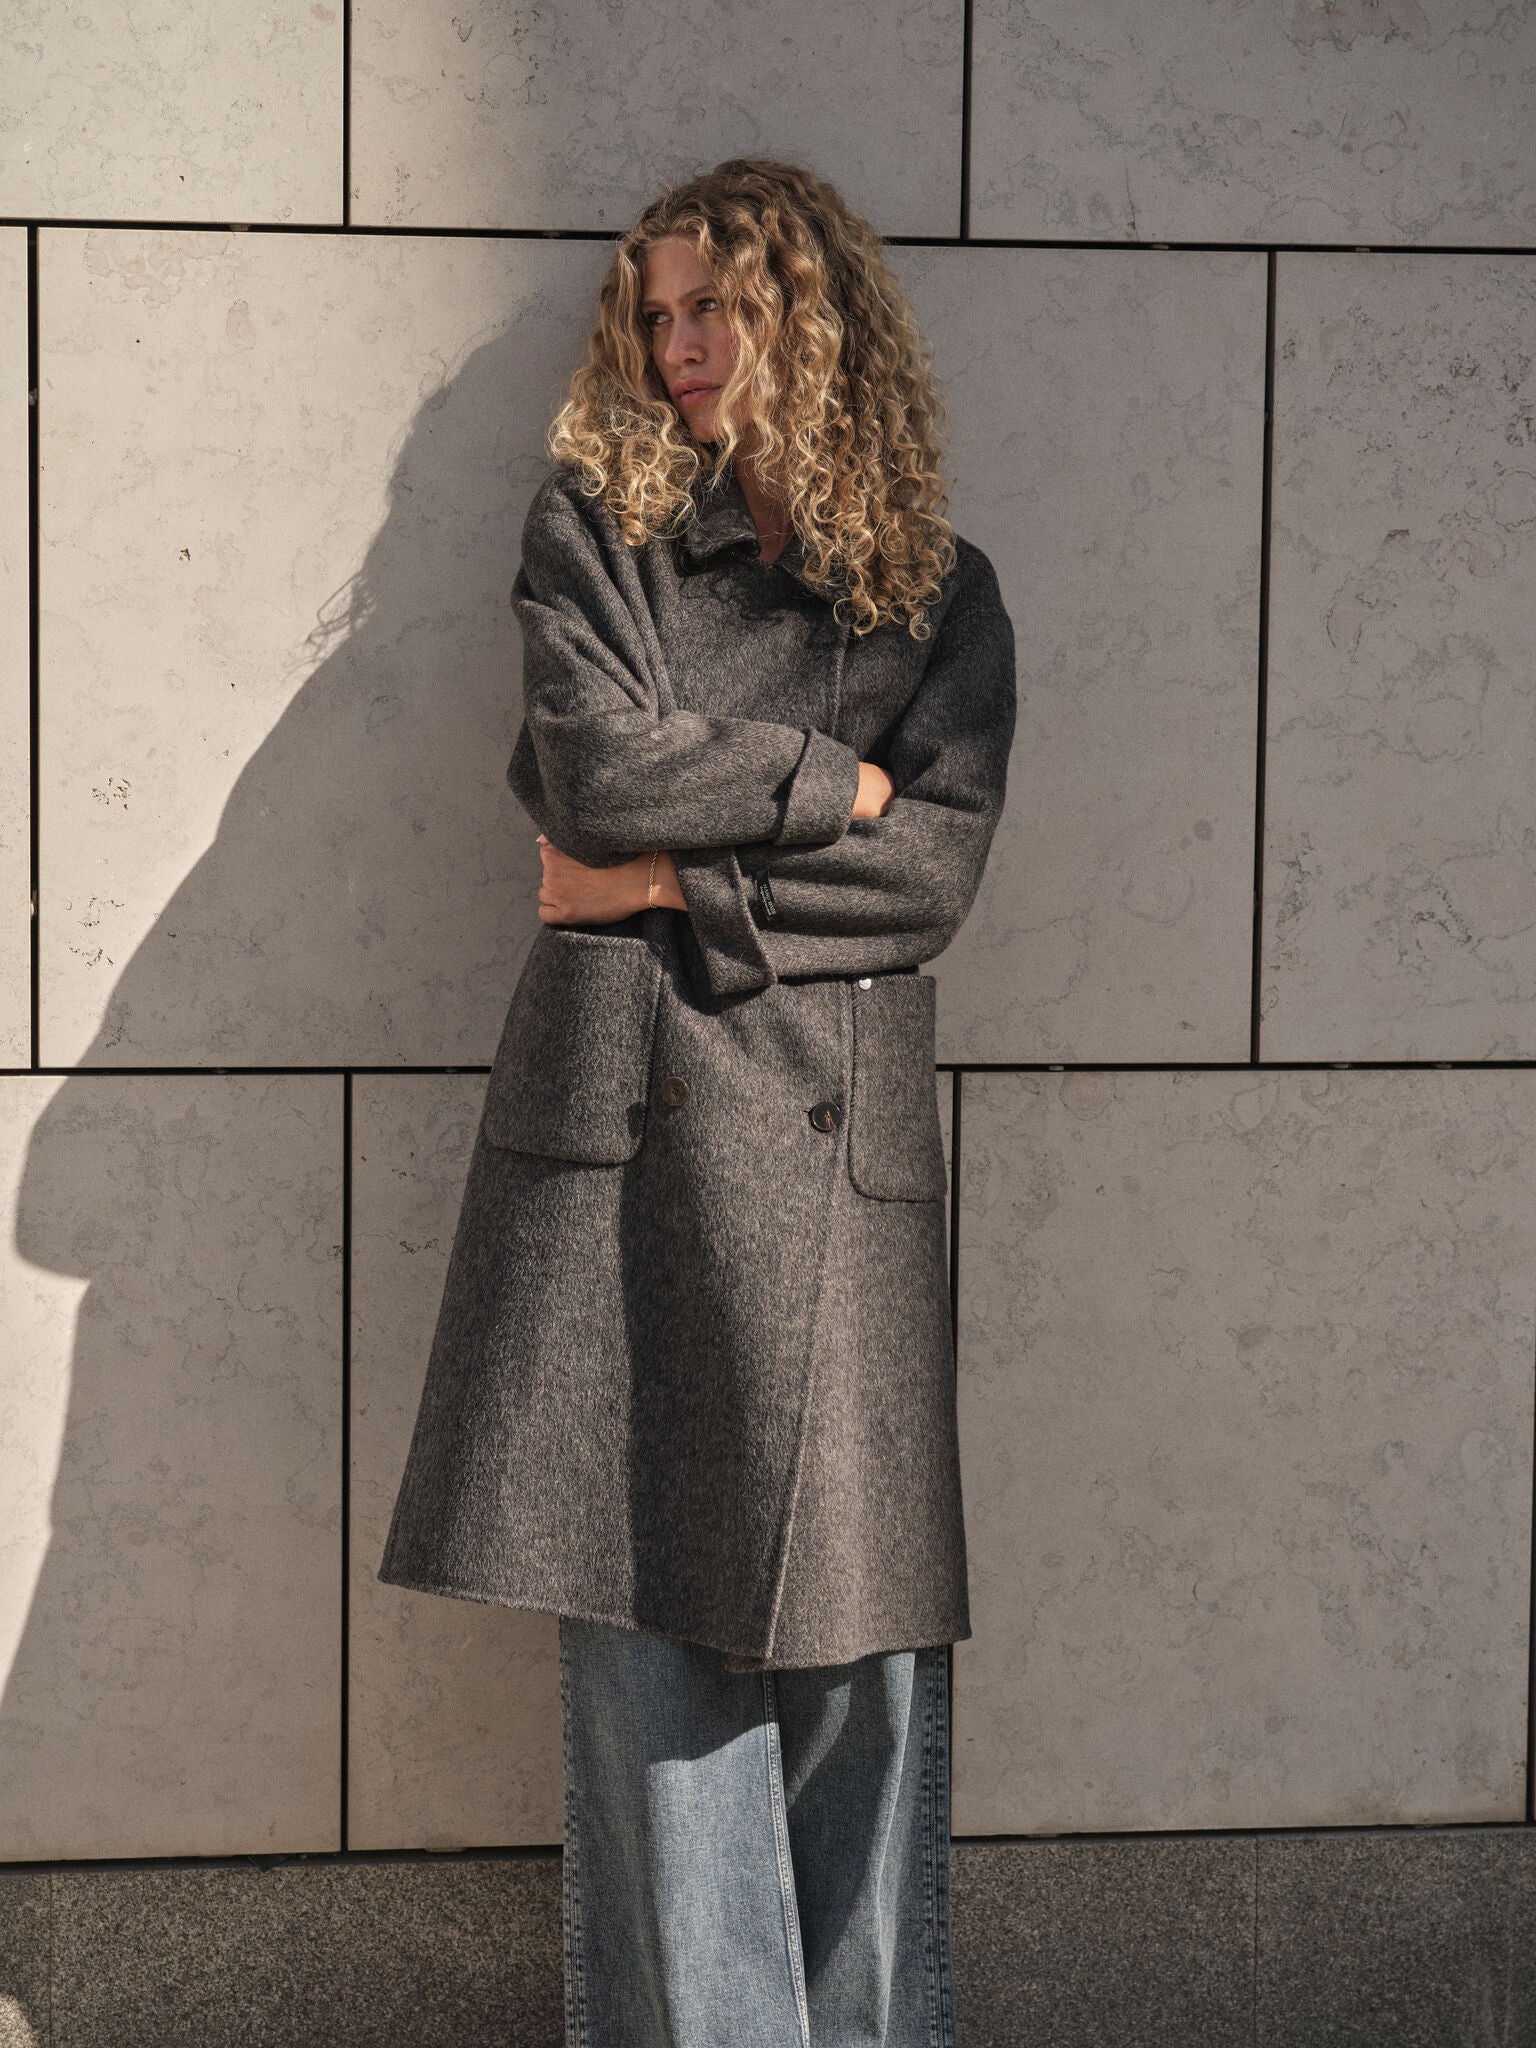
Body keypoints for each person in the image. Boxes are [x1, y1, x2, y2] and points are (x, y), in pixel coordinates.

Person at [378, 156, 1018, 2045]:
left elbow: (932, 880)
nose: (677, 346)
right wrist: (830, 789)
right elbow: (591, 772)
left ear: (809, 319)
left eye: (712, 307)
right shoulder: (600, 536)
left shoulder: (940, 592)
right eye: (654, 315)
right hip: (627, 1160)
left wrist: (665, 881)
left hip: (835, 1179)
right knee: (655, 1676)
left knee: (857, 1687)